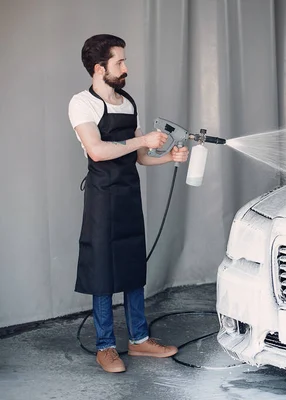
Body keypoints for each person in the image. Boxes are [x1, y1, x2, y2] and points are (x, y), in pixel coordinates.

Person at [68, 34, 188, 373]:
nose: (126, 68)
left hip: (128, 195)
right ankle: (105, 346)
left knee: (134, 267)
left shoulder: (127, 102)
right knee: (103, 270)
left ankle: (139, 340)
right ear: (99, 67)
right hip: (102, 197)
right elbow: (98, 150)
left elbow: (140, 158)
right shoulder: (82, 104)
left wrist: (167, 157)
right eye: (119, 62)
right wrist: (143, 139)